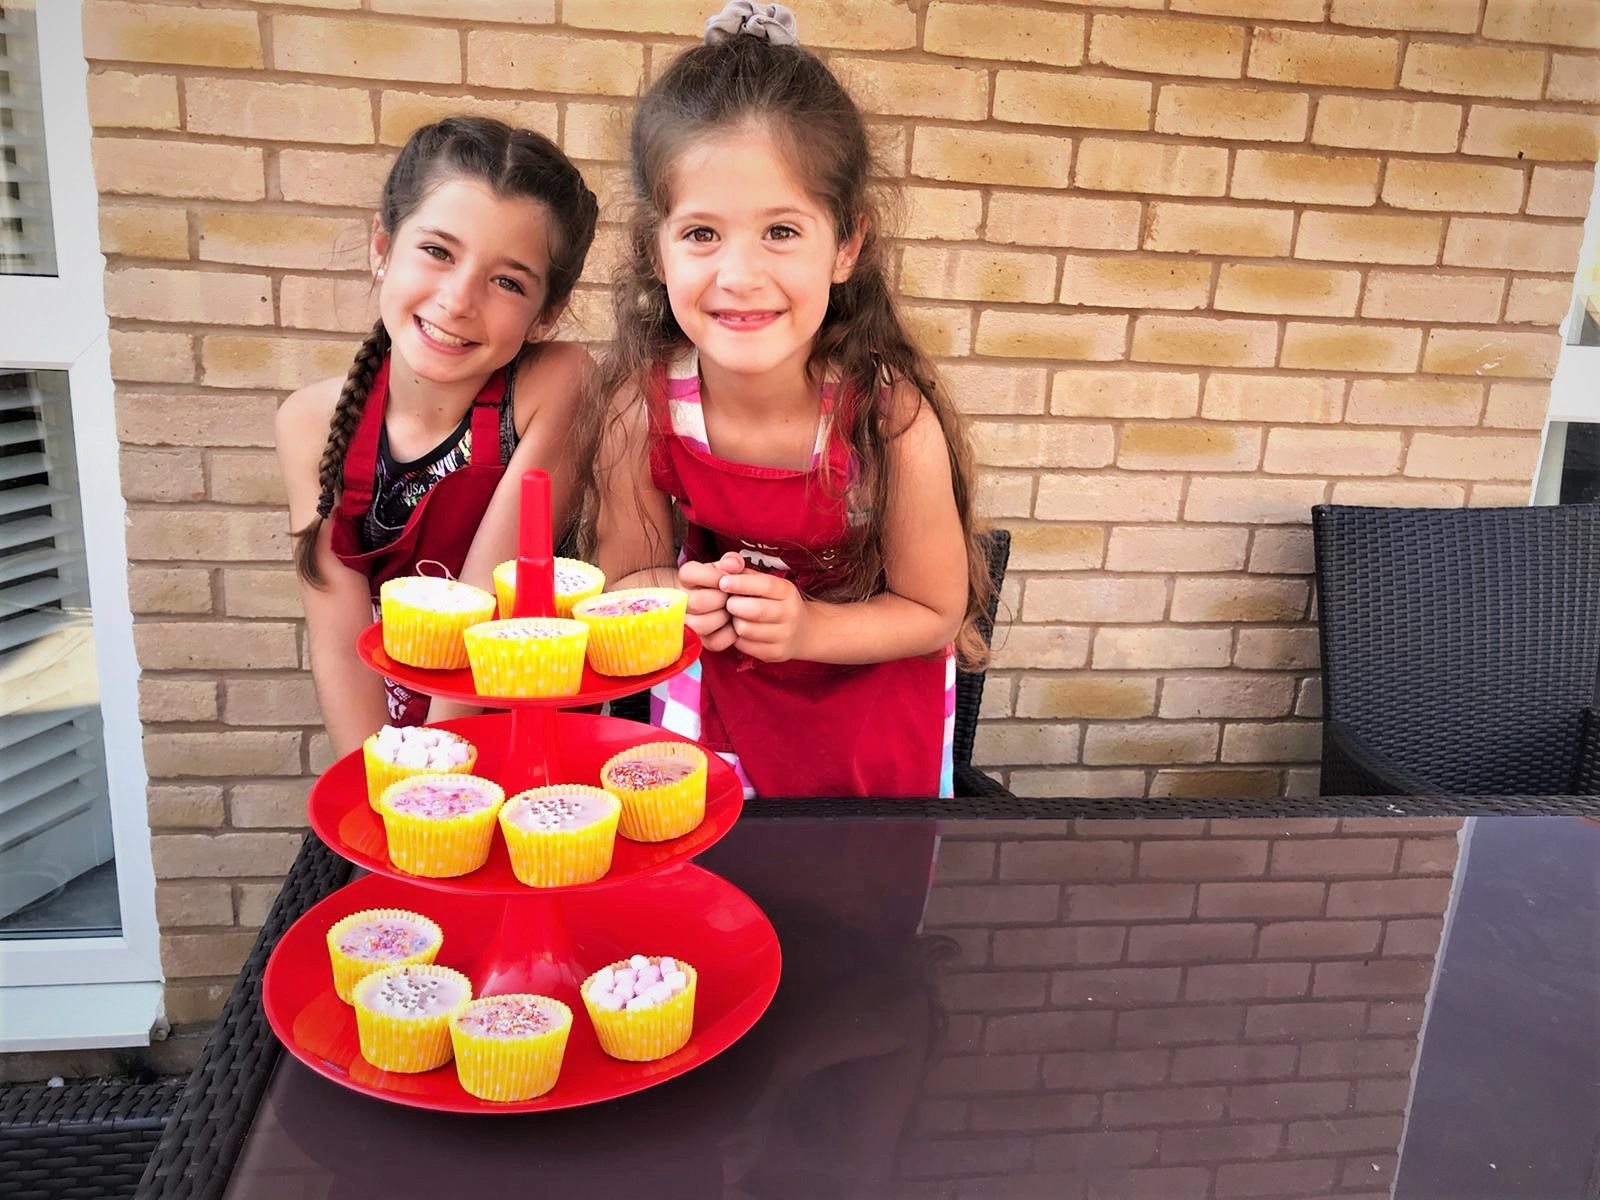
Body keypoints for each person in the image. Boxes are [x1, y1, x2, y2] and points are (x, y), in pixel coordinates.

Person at [575, 2, 990, 798]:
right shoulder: (641, 409)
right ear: (655, 249)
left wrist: (808, 626)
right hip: (712, 722)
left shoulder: (888, 419)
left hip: (870, 743)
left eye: (781, 232)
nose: (738, 275)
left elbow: (934, 611)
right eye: (701, 233)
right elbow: (626, 584)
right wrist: (670, 600)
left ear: (847, 245)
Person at [277, 116, 598, 757]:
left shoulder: (557, 383)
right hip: (394, 755)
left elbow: (483, 612)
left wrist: (438, 790)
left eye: (508, 281)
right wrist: (379, 793)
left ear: (548, 315)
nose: (458, 300)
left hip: (521, 753)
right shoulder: (308, 420)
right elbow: (339, 644)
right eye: (438, 251)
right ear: (381, 246)